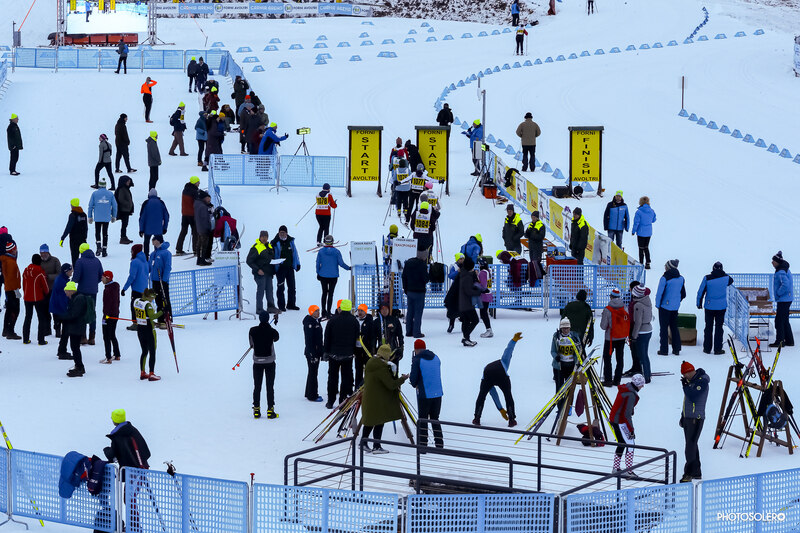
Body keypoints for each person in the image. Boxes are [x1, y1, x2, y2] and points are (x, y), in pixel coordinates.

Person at [359, 344, 409, 454]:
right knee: (379, 421)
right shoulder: (381, 367)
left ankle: (363, 442)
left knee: (370, 421)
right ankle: (376, 446)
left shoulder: (371, 361)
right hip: (378, 399)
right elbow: (391, 384)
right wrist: (402, 379)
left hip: (370, 397)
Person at [473, 332, 522, 427]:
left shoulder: (486, 370)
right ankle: (511, 420)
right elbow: (508, 351)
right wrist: (513, 340)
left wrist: (500, 409)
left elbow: (493, 393)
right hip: (501, 373)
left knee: (481, 396)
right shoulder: (504, 362)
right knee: (508, 395)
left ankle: (476, 418)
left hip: (487, 373)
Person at [324, 299, 360, 409]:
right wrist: (355, 352)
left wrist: (326, 351)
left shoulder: (333, 320)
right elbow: (357, 338)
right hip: (348, 355)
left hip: (333, 354)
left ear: (341, 308)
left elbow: (327, 336)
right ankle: (343, 400)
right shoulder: (354, 321)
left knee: (332, 377)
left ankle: (330, 401)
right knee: (345, 378)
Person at [410, 339, 444, 448]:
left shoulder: (417, 360)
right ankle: (439, 444)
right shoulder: (436, 357)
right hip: (438, 393)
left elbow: (413, 380)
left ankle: (423, 446)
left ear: (415, 349)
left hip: (425, 394)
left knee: (423, 420)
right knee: (435, 419)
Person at [609, 374, 645, 477]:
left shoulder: (626, 388)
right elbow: (626, 414)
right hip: (619, 420)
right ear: (637, 384)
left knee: (622, 443)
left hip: (615, 418)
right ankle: (629, 471)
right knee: (630, 444)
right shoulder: (631, 394)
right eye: (641, 384)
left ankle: (616, 468)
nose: (642, 386)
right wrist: (631, 429)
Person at [679, 361, 709, 482]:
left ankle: (689, 473)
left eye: (685, 374)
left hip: (696, 419)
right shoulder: (692, 382)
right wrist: (683, 416)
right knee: (692, 445)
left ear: (690, 371)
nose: (684, 377)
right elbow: (686, 402)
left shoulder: (702, 382)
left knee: (690, 447)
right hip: (689, 418)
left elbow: (692, 396)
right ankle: (696, 472)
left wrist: (685, 386)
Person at [696, 262, 733, 354]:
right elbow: (731, 281)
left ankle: (707, 348)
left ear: (713, 268)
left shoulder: (707, 278)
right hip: (721, 307)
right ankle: (718, 349)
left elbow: (700, 291)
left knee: (708, 327)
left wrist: (699, 303)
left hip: (709, 306)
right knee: (719, 328)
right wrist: (722, 273)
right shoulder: (726, 278)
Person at [249, 311, 280, 419]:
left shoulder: (252, 330)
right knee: (270, 386)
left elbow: (252, 345)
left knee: (257, 386)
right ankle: (270, 410)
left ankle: (256, 410)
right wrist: (269, 328)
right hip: (270, 362)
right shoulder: (272, 331)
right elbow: (276, 338)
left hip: (257, 362)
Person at [73, 242, 103, 345]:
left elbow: (76, 278)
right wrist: (94, 283)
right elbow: (101, 276)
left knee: (81, 313)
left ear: (81, 251)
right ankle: (92, 337)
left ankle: (83, 337)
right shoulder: (97, 261)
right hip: (93, 291)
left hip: (82, 291)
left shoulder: (80, 261)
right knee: (91, 312)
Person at [315, 235, 350, 319]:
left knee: (324, 293)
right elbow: (341, 263)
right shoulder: (336, 252)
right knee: (330, 294)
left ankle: (323, 311)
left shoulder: (321, 251)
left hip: (323, 275)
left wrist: (318, 273)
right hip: (333, 276)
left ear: (324, 242)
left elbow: (317, 263)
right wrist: (348, 268)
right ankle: (328, 311)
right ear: (332, 242)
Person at [655, 259, 685, 356]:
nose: (664, 267)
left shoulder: (664, 278)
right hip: (675, 307)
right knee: (674, 327)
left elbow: (659, 293)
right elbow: (683, 294)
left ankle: (664, 350)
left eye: (665, 265)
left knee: (663, 329)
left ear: (668, 267)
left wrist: (658, 305)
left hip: (664, 307)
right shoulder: (681, 278)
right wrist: (676, 301)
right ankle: (676, 349)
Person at [600, 288, 628, 387]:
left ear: (611, 297)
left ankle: (608, 380)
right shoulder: (624, 308)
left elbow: (603, 326)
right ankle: (617, 380)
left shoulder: (608, 309)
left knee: (607, 358)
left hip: (610, 338)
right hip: (621, 337)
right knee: (620, 359)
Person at [246, 231, 279, 315]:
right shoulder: (256, 247)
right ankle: (259, 309)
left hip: (269, 273)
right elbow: (249, 261)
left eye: (266, 236)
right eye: (263, 236)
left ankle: (271, 307)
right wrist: (257, 270)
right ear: (260, 237)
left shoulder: (269, 246)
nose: (264, 238)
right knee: (261, 290)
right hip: (260, 273)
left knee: (269, 290)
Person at [22, 254, 50, 346]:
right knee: (41, 318)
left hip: (27, 297)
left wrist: (25, 293)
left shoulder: (26, 270)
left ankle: (25, 339)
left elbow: (24, 283)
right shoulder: (40, 271)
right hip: (38, 298)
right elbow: (45, 286)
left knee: (28, 317)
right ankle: (41, 340)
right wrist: (46, 293)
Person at [271, 225, 300, 312]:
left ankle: (291, 304)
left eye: (283, 232)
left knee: (292, 287)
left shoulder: (290, 241)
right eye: (280, 232)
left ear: (286, 233)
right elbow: (272, 255)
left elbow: (295, 253)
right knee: (281, 287)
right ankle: (281, 305)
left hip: (290, 268)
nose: (282, 234)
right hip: (280, 268)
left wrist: (297, 264)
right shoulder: (275, 242)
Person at [134, 289, 161, 381]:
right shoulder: (148, 305)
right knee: (152, 351)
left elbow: (145, 316)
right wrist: (162, 312)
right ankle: (151, 373)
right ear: (149, 296)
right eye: (153, 298)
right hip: (149, 331)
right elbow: (152, 316)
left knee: (144, 351)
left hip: (140, 330)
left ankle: (142, 372)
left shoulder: (137, 301)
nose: (153, 300)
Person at [62, 281, 89, 377]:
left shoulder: (78, 299)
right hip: (75, 327)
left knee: (75, 347)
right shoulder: (75, 298)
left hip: (77, 327)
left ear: (71, 291)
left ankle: (80, 367)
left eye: (66, 291)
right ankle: (78, 366)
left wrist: (62, 318)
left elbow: (74, 314)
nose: (65, 293)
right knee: (74, 347)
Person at [88, 178, 118, 258]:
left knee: (97, 232)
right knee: (105, 233)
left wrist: (90, 216)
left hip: (97, 217)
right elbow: (115, 206)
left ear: (99, 185)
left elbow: (90, 206)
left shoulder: (95, 194)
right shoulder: (110, 194)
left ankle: (98, 246)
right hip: (106, 217)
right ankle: (104, 250)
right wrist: (114, 216)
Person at [457, 256, 483, 347]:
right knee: (475, 320)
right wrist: (479, 291)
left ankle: (466, 339)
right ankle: (465, 338)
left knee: (466, 321)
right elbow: (468, 291)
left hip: (463, 302)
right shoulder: (467, 277)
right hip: (467, 303)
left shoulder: (464, 274)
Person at [121, 244, 148, 331]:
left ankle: (135, 323)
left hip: (137, 288)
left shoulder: (135, 262)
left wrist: (124, 288)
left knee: (134, 306)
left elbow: (132, 276)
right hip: (145, 288)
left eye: (132, 251)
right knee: (142, 306)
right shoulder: (145, 261)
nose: (131, 252)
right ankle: (143, 323)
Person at [551, 318, 581, 393]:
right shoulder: (556, 337)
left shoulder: (574, 337)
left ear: (570, 328)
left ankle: (568, 401)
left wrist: (577, 361)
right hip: (559, 367)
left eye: (567, 328)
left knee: (570, 390)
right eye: (563, 328)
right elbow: (553, 351)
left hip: (571, 366)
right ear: (561, 328)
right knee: (559, 389)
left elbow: (579, 350)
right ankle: (560, 401)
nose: (565, 330)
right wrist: (556, 357)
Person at [630, 284, 653, 383]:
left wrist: (634, 336)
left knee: (642, 355)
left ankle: (646, 376)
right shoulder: (647, 301)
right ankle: (647, 374)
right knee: (645, 354)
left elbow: (638, 322)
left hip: (642, 331)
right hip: (648, 330)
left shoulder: (638, 305)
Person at [771, 251, 794, 347]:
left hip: (784, 299)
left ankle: (780, 341)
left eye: (773, 261)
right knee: (784, 320)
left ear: (777, 262)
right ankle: (789, 340)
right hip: (787, 298)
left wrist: (778, 293)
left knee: (779, 321)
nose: (772, 262)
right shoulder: (784, 269)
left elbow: (786, 285)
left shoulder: (780, 271)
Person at [402, 256, 429, 339]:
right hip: (419, 292)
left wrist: (406, 289)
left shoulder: (408, 263)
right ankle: (416, 332)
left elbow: (404, 277)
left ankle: (408, 331)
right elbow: (426, 279)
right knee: (418, 312)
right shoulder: (422, 264)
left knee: (410, 311)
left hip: (410, 291)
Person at [138, 188, 168, 259]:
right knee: (159, 244)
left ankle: (146, 257)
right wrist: (165, 228)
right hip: (158, 229)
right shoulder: (161, 203)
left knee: (146, 242)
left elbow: (142, 218)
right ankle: (159, 257)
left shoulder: (146, 203)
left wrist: (141, 230)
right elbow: (166, 216)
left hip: (147, 229)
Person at [303, 305, 325, 402]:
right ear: (311, 312)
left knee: (312, 372)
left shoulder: (315, 321)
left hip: (316, 351)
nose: (318, 312)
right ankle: (312, 395)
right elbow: (308, 340)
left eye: (318, 311)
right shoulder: (309, 323)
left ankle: (308, 392)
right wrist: (312, 353)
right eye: (316, 311)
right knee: (313, 373)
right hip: (312, 352)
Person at [0, 241, 21, 340]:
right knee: (15, 310)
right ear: (12, 250)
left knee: (9, 309)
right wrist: (16, 290)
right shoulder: (11, 262)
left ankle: (5, 330)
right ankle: (10, 331)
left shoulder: (6, 260)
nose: (16, 251)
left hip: (8, 288)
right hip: (12, 289)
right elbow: (12, 278)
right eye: (15, 249)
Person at [51, 264, 73, 359]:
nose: (72, 272)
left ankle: (61, 350)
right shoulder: (62, 282)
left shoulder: (62, 279)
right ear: (66, 271)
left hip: (58, 308)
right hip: (60, 309)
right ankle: (62, 351)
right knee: (66, 331)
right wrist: (66, 309)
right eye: (70, 270)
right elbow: (62, 298)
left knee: (65, 331)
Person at [149, 236, 172, 327]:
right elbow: (150, 266)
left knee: (164, 299)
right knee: (158, 300)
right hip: (155, 279)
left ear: (158, 241)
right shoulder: (153, 253)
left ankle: (167, 318)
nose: (152, 242)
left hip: (162, 280)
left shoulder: (166, 253)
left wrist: (164, 279)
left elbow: (168, 267)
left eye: (153, 240)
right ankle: (160, 319)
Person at [39, 244, 61, 337]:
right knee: (45, 311)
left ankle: (57, 329)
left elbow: (59, 274)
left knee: (55, 311)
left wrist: (48, 277)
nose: (43, 254)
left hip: (54, 290)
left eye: (45, 252)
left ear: (48, 252)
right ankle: (47, 329)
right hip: (43, 291)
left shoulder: (55, 260)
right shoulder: (39, 261)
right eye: (42, 253)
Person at [101, 271, 121, 363]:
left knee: (106, 336)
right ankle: (117, 354)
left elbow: (109, 304)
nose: (101, 279)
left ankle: (108, 357)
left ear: (107, 278)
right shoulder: (114, 287)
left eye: (103, 277)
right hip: (115, 314)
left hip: (108, 316)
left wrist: (106, 315)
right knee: (112, 334)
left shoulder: (108, 289)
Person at [60, 198, 89, 265]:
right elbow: (86, 227)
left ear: (72, 205)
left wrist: (63, 238)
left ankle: (76, 270)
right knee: (85, 257)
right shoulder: (84, 215)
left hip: (74, 240)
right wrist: (85, 237)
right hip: (82, 239)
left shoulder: (72, 215)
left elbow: (68, 227)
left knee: (75, 257)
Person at [176, 177, 199, 256]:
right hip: (192, 215)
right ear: (195, 183)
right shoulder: (194, 191)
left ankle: (178, 249)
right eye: (198, 182)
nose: (199, 183)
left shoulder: (185, 190)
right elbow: (197, 203)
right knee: (195, 232)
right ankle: (196, 250)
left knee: (183, 231)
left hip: (184, 214)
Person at [631, 196, 656, 269]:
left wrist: (633, 231)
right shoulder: (652, 211)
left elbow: (636, 223)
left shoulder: (639, 212)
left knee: (641, 248)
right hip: (648, 232)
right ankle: (648, 262)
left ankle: (641, 263)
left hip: (641, 232)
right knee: (646, 247)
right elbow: (654, 220)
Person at [354, 303, 374, 388]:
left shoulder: (369, 322)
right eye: (359, 310)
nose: (360, 312)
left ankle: (368, 387)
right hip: (357, 349)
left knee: (368, 370)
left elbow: (372, 336)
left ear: (365, 312)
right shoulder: (355, 321)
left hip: (366, 349)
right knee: (358, 370)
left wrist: (372, 348)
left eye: (362, 311)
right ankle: (357, 387)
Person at [193, 190, 214, 266]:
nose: (209, 201)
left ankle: (199, 259)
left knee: (199, 244)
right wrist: (208, 228)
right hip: (204, 228)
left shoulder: (197, 203)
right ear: (205, 197)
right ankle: (202, 260)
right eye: (209, 199)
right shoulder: (203, 206)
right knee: (203, 245)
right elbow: (206, 219)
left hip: (199, 227)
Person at [114, 175, 135, 245]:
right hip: (124, 210)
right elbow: (121, 199)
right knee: (124, 224)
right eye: (128, 181)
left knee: (125, 224)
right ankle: (123, 237)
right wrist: (128, 204)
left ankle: (124, 237)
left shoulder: (125, 188)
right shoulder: (122, 189)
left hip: (126, 210)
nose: (129, 182)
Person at [477, 258, 493, 338]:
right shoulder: (488, 271)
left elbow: (482, 286)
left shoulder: (482, 273)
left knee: (483, 314)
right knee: (484, 313)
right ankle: (489, 330)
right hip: (488, 294)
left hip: (484, 295)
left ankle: (489, 330)